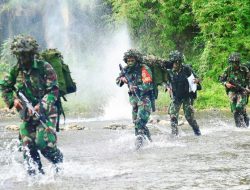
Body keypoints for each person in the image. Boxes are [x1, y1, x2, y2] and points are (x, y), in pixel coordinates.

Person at [0, 35, 63, 175]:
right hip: (26, 115)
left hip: (45, 113)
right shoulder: (15, 70)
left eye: (25, 55)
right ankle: (35, 178)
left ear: (31, 54)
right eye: (20, 55)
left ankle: (58, 162)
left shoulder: (44, 67)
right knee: (27, 147)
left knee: (43, 144)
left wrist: (41, 105)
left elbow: (53, 90)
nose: (23, 58)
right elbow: (4, 86)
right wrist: (13, 100)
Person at [116, 49, 154, 147]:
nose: (130, 62)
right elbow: (117, 81)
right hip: (134, 102)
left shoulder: (144, 69)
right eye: (128, 61)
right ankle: (150, 143)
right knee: (137, 125)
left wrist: (137, 87)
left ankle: (138, 147)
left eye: (132, 60)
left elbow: (149, 85)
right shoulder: (126, 70)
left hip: (144, 100)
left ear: (136, 60)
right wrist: (122, 79)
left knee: (140, 123)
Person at [164, 50, 201, 136]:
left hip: (187, 96)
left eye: (176, 63)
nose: (174, 65)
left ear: (180, 63)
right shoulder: (169, 70)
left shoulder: (187, 69)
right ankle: (174, 135)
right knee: (173, 115)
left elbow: (198, 78)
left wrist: (197, 80)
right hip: (176, 96)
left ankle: (197, 132)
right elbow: (165, 80)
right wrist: (167, 86)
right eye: (173, 63)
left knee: (189, 117)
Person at [219, 52, 250, 128]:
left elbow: (249, 80)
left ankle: (244, 125)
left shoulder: (244, 69)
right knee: (235, 110)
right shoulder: (228, 69)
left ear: (239, 62)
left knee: (239, 107)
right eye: (233, 62)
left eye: (236, 62)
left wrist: (248, 88)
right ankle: (239, 127)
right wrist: (226, 84)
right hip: (232, 92)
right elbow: (221, 79)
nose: (235, 64)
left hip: (242, 91)